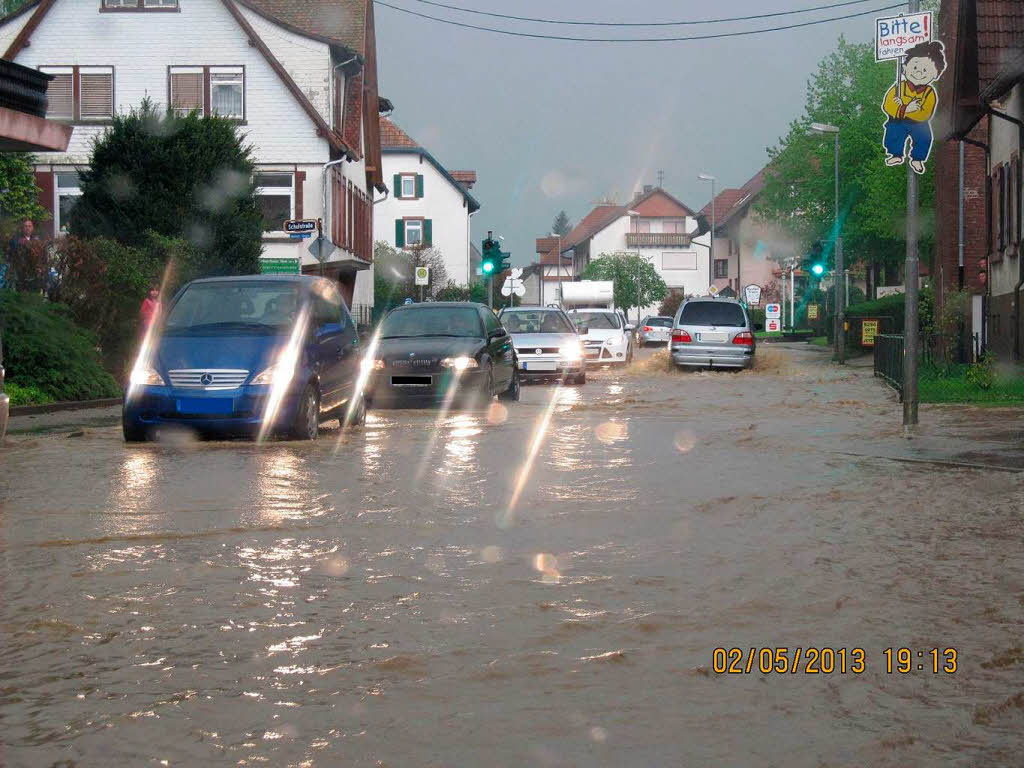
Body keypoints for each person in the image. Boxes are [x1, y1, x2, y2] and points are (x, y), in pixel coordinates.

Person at [881, 41, 947, 175]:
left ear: (935, 74)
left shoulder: (929, 93)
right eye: (915, 68)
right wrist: (906, 109)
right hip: (898, 120)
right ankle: (896, 154)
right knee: (893, 132)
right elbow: (888, 105)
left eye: (925, 70)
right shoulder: (899, 87)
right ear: (905, 68)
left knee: (925, 137)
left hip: (918, 123)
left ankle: (917, 158)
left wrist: (904, 109)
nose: (919, 73)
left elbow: (926, 113)